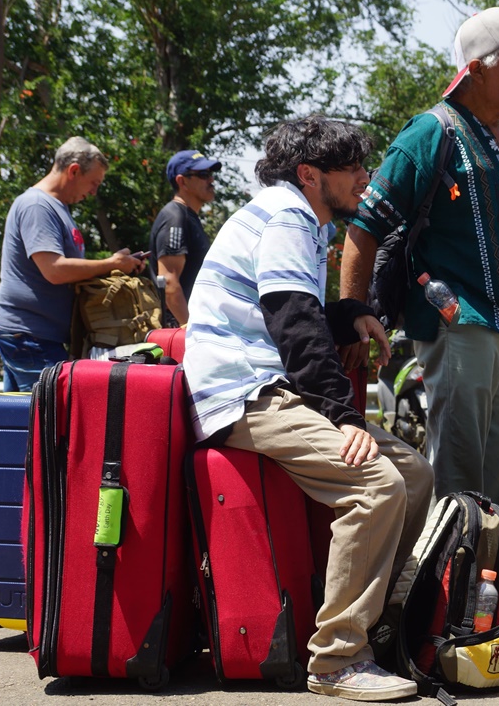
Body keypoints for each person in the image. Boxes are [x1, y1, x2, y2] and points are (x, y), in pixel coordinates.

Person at [183, 116, 433, 702]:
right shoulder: (288, 215)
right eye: (352, 169)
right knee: (377, 484)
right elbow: (292, 322)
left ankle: (383, 623)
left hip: (271, 385)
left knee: (416, 475)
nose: (365, 179)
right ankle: (338, 659)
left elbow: (298, 308)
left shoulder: (292, 216)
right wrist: (344, 418)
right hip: (243, 393)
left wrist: (348, 315)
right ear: (309, 174)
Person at [340, 7, 499, 505]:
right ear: (477, 68)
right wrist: (352, 314)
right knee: (458, 479)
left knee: (496, 483)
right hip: (459, 327)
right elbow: (364, 226)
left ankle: (485, 574)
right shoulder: (431, 133)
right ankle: (446, 579)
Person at [0, 137, 145, 391]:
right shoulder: (38, 205)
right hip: (28, 334)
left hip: (31, 334)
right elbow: (54, 270)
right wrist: (111, 263)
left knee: (21, 421)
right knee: (54, 416)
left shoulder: (56, 207)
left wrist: (118, 264)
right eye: (93, 183)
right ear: (73, 170)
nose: (94, 191)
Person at [148, 150, 221, 327]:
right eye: (203, 175)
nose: (211, 180)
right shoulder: (175, 217)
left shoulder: (188, 217)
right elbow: (169, 282)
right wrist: (191, 330)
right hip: (179, 329)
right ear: (182, 181)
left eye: (210, 174)